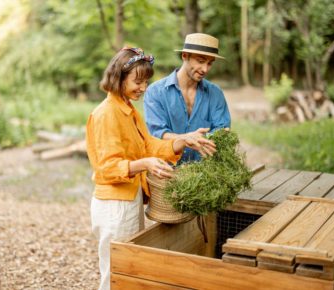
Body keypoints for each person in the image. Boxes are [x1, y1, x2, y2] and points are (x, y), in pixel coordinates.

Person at [86, 47, 216, 290]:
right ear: (119, 77)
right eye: (138, 81)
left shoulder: (128, 109)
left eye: (146, 82)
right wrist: (145, 164)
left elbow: (148, 145)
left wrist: (183, 140)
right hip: (114, 205)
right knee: (116, 273)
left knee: (131, 268)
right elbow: (106, 168)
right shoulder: (106, 114)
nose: (143, 88)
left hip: (131, 198)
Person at [144, 33, 231, 164]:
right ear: (185, 56)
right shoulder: (155, 92)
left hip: (205, 174)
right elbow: (158, 134)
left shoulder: (215, 93)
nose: (205, 69)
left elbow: (222, 132)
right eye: (200, 61)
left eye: (210, 63)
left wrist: (203, 138)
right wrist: (186, 138)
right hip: (165, 172)